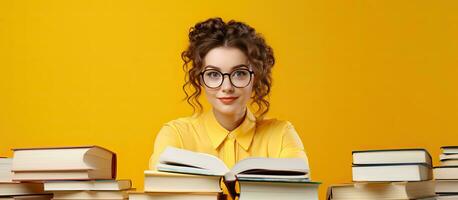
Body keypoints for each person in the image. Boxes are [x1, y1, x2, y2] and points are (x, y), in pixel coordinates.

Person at [149, 17, 309, 174]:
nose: (227, 87)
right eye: (213, 74)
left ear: (255, 77)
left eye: (239, 73)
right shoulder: (176, 135)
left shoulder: (281, 134)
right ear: (200, 79)